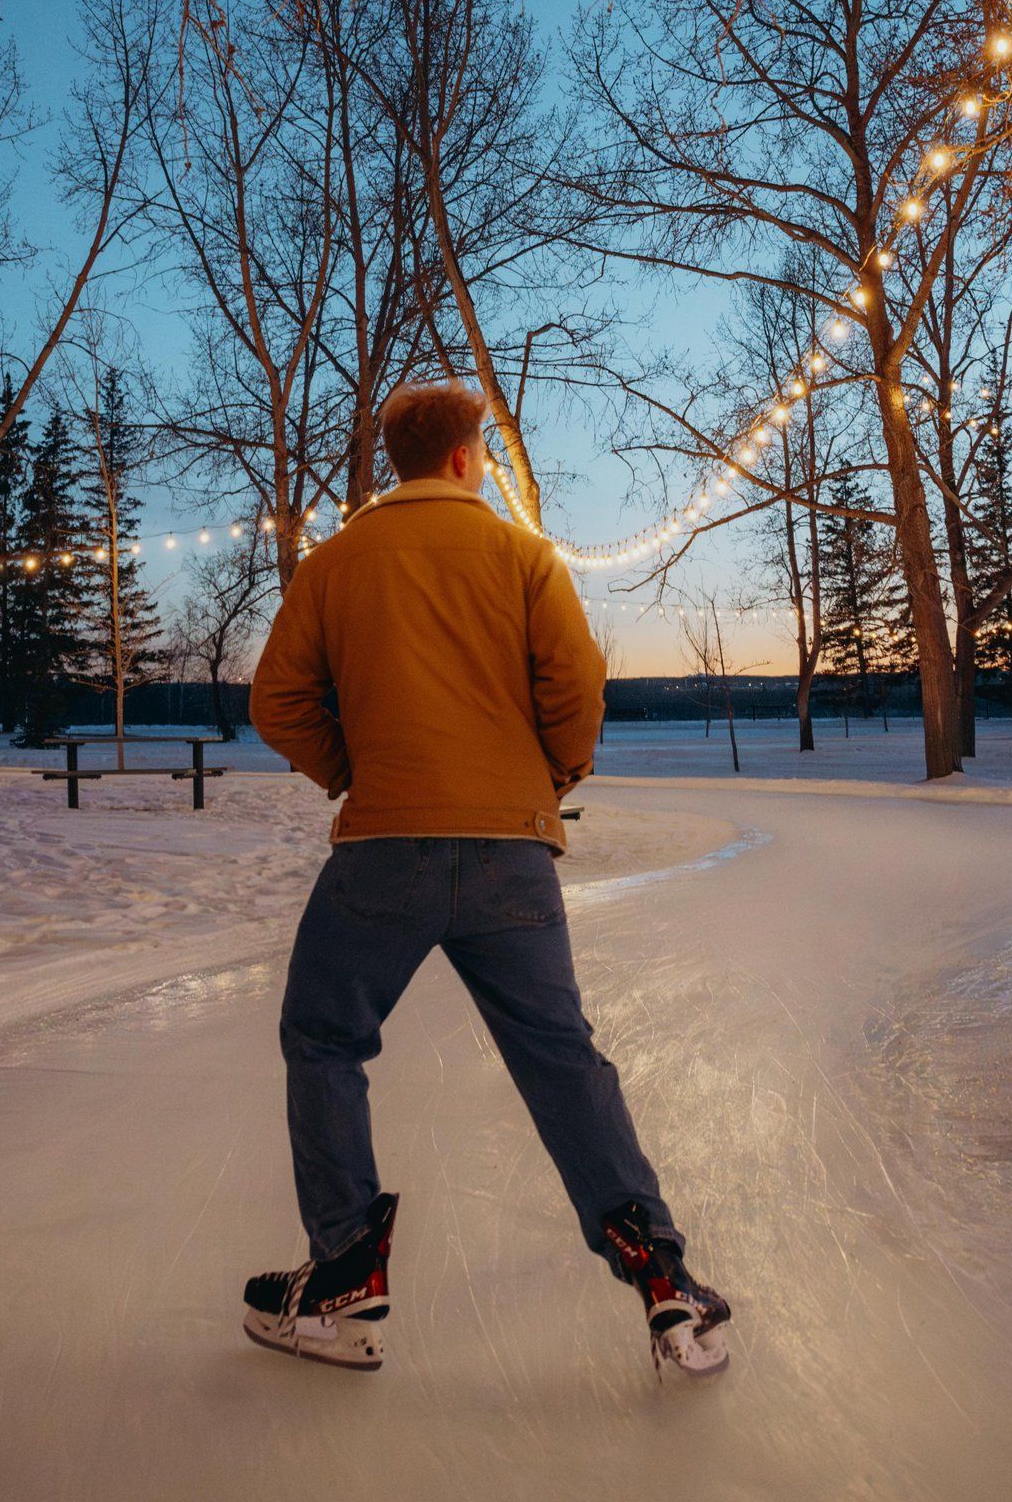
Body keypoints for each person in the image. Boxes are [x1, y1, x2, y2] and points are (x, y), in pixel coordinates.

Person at [243, 378, 730, 1380]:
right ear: (470, 457)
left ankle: (342, 1273)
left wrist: (355, 772)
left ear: (401, 460)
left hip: (382, 851)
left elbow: (277, 701)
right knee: (560, 1059)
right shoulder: (522, 557)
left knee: (324, 1038)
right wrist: (545, 778)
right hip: (512, 851)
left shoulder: (336, 563)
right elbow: (575, 689)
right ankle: (661, 1280)